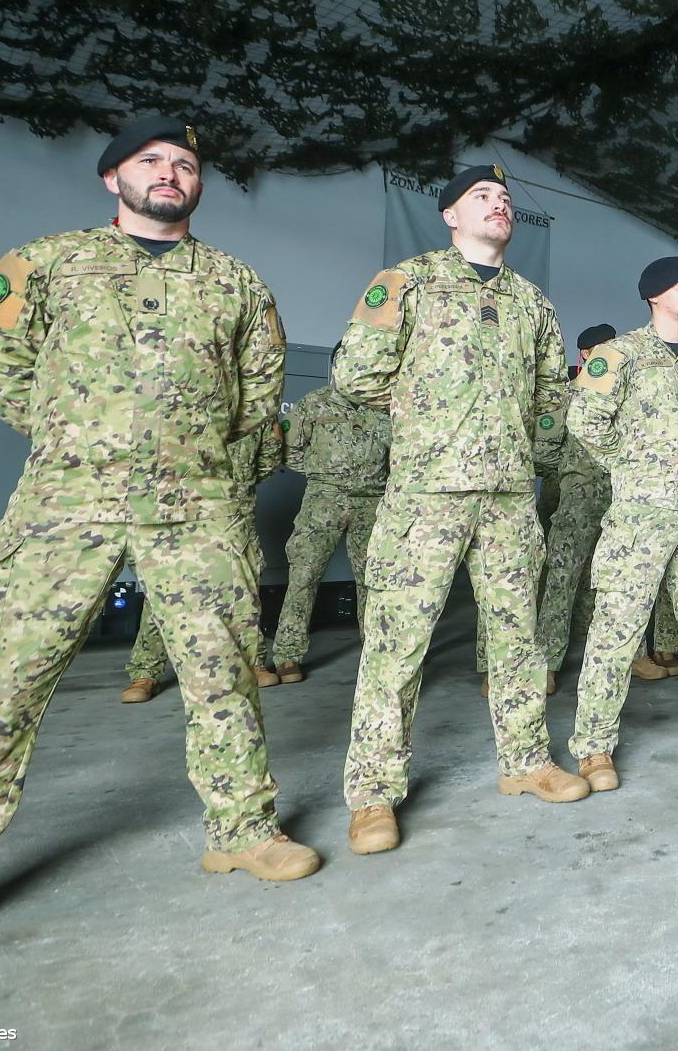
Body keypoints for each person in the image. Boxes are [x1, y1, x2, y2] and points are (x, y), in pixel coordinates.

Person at [0, 116, 319, 987]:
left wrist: (203, 457)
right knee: (0, 684)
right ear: (112, 179)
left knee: (224, 669)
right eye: (150, 161)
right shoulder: (43, 261)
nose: (171, 173)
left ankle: (243, 830)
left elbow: (258, 393)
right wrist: (75, 434)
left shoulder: (236, 281)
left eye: (185, 164)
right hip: (66, 501)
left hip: (198, 504)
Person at [339, 162, 584, 859]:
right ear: (450, 215)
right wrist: (424, 413)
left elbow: (551, 397)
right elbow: (356, 372)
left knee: (516, 639)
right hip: (426, 493)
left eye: (505, 199)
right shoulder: (407, 281)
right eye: (483, 196)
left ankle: (527, 760)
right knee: (396, 645)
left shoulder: (532, 302)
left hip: (508, 496)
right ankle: (373, 794)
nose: (499, 204)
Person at [563, 257, 678, 792]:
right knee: (615, 631)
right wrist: (636, 468)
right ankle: (594, 745)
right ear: (653, 295)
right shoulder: (619, 355)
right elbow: (585, 421)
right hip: (639, 521)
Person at [121, 417, 285, 695]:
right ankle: (145, 673)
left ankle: (253, 663)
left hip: (235, 514)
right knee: (164, 592)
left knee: (244, 593)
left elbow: (268, 459)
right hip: (182, 513)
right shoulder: (184, 403)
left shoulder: (258, 414)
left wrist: (237, 487)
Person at [264, 380, 390, 683]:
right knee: (304, 575)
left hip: (372, 501)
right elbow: (291, 449)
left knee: (372, 579)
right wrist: (323, 476)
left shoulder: (385, 404)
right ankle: (288, 656)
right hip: (324, 499)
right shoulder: (314, 401)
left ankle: (377, 654)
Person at [535, 323, 618, 691]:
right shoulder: (565, 397)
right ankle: (547, 662)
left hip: (618, 503)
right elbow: (544, 451)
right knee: (561, 580)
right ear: (585, 356)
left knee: (613, 585)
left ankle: (616, 659)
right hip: (576, 503)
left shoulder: (622, 397)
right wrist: (570, 477)